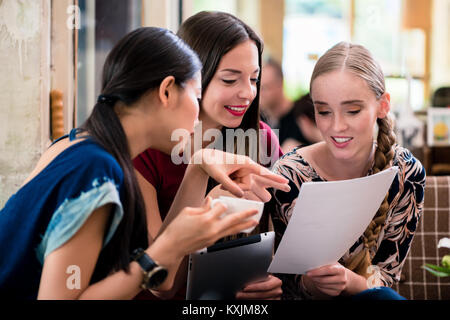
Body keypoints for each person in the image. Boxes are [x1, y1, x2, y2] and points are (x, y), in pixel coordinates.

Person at [0, 27, 288, 300]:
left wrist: (198, 166)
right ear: (166, 91)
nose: (197, 117)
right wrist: (170, 244)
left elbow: (159, 282)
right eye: (196, 96)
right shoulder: (97, 169)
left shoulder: (79, 144)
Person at [133, 11, 288, 300]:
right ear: (190, 79)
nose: (247, 93)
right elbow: (159, 284)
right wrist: (207, 208)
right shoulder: (148, 152)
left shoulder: (261, 137)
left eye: (254, 79)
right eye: (230, 80)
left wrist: (276, 278)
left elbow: (282, 235)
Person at [267, 42, 426, 300]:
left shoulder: (406, 172)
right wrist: (310, 284)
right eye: (324, 111)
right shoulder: (290, 174)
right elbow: (282, 281)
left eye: (353, 110)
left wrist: (350, 282)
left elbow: (385, 276)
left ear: (383, 105)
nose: (336, 126)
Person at [259, 58, 310, 152]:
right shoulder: (260, 120)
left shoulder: (302, 117)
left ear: (280, 84)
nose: (258, 94)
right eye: (256, 87)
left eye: (264, 88)